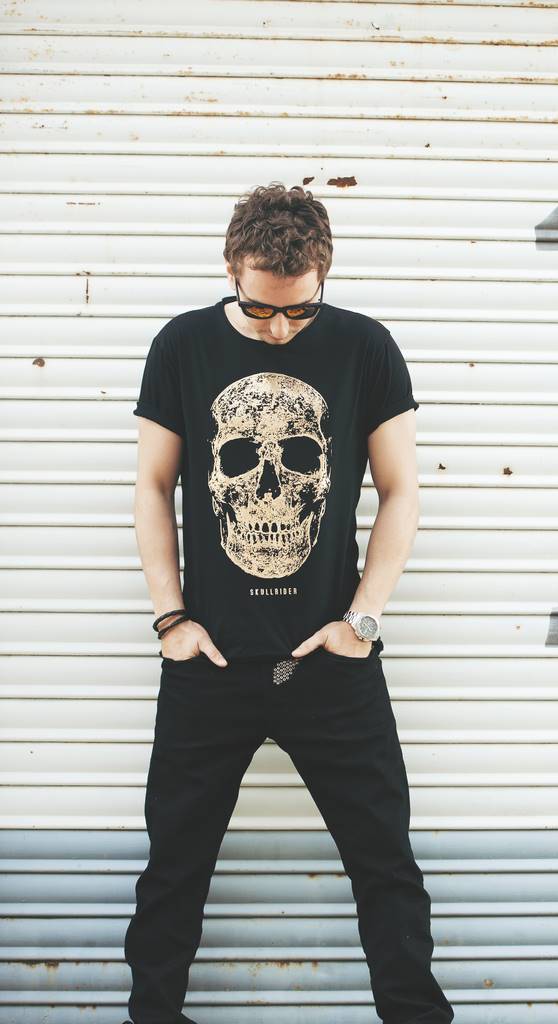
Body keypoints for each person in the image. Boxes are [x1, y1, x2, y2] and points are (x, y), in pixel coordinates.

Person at [122, 183, 454, 1024]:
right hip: (211, 662)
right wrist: (171, 619)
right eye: (261, 309)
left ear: (324, 274)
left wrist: (363, 620)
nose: (279, 329)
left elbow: (403, 491)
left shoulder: (365, 347)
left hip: (329, 664)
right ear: (231, 270)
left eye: (300, 311)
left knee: (385, 865)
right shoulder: (182, 346)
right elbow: (153, 487)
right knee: (174, 870)